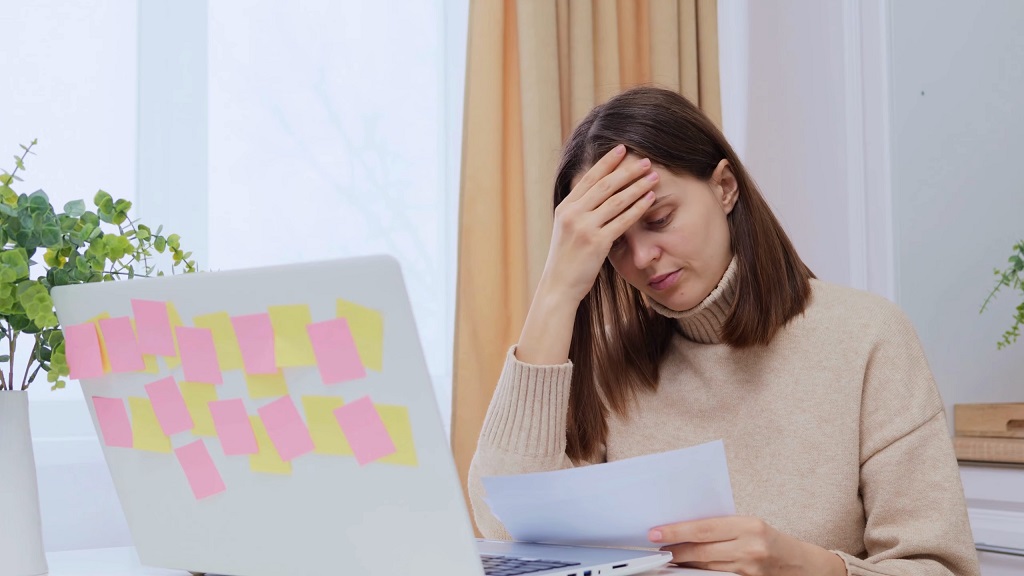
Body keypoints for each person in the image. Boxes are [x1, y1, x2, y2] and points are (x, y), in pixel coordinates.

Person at [467, 86, 980, 576]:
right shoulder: (609, 362)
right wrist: (557, 289)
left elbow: (941, 568)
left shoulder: (868, 338)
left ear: (724, 188)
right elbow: (503, 529)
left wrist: (810, 567)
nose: (642, 257)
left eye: (660, 218)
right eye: (614, 245)